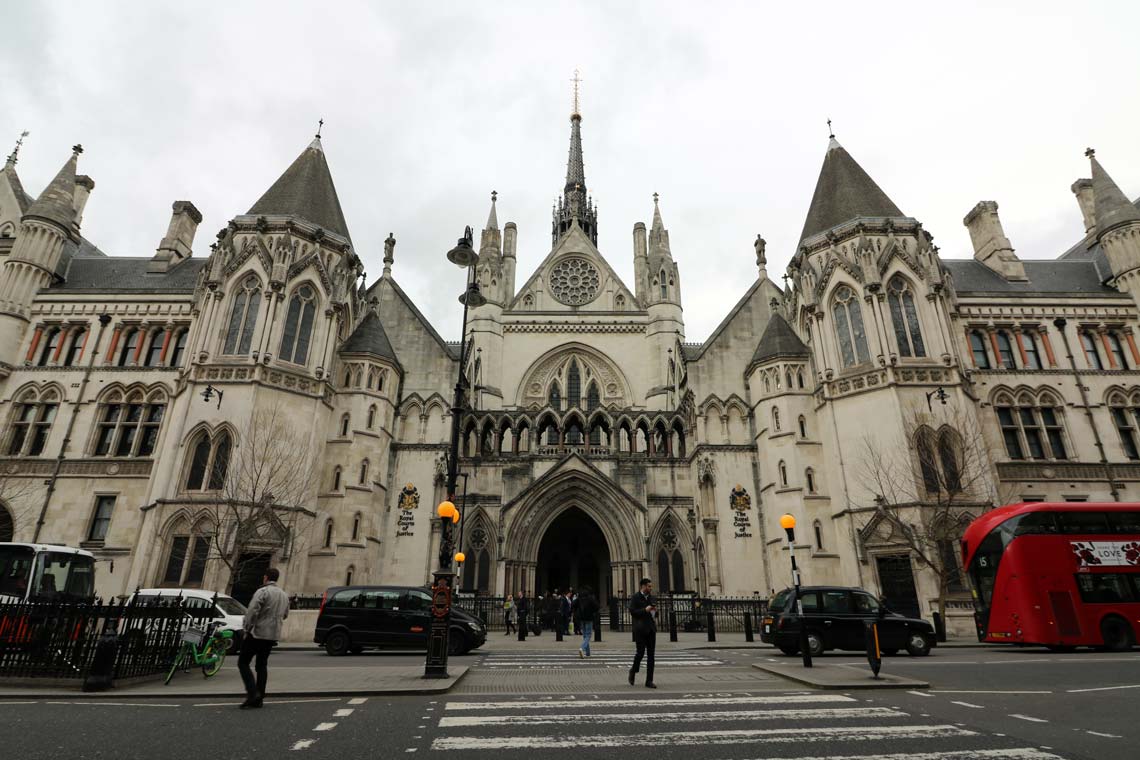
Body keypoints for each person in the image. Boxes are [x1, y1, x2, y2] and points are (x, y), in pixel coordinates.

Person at [238, 567, 290, 709]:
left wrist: (247, 629)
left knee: (243, 662)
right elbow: (285, 614)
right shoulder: (284, 595)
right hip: (272, 635)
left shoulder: (262, 591)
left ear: (266, 577)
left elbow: (252, 611)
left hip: (258, 633)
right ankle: (259, 698)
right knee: (261, 665)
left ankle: (252, 693)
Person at [628, 577, 657, 688]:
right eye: (649, 586)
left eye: (651, 586)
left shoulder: (652, 597)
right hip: (640, 629)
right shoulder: (635, 597)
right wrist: (645, 610)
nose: (651, 588)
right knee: (640, 653)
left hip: (651, 629)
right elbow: (632, 612)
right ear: (643, 586)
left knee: (651, 656)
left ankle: (649, 681)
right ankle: (633, 670)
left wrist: (655, 612)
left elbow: (654, 614)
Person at [576, 586, 598, 659]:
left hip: (582, 619)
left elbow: (573, 604)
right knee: (588, 635)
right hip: (589, 618)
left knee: (585, 635)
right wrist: (593, 612)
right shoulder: (590, 599)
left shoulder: (579, 599)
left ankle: (588, 653)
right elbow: (596, 607)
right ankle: (582, 648)